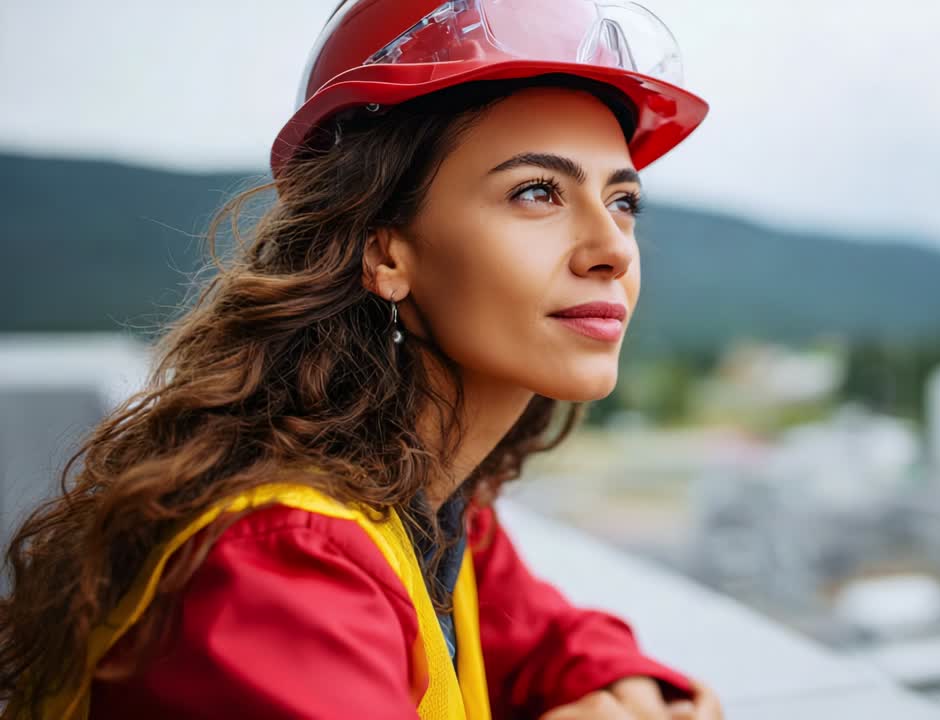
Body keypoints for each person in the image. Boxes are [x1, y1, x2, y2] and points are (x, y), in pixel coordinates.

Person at [0, 1, 717, 718]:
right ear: (385, 251)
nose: (615, 249)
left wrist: (617, 682)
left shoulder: (420, 500)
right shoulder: (282, 566)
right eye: (537, 192)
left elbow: (538, 637)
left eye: (624, 201)